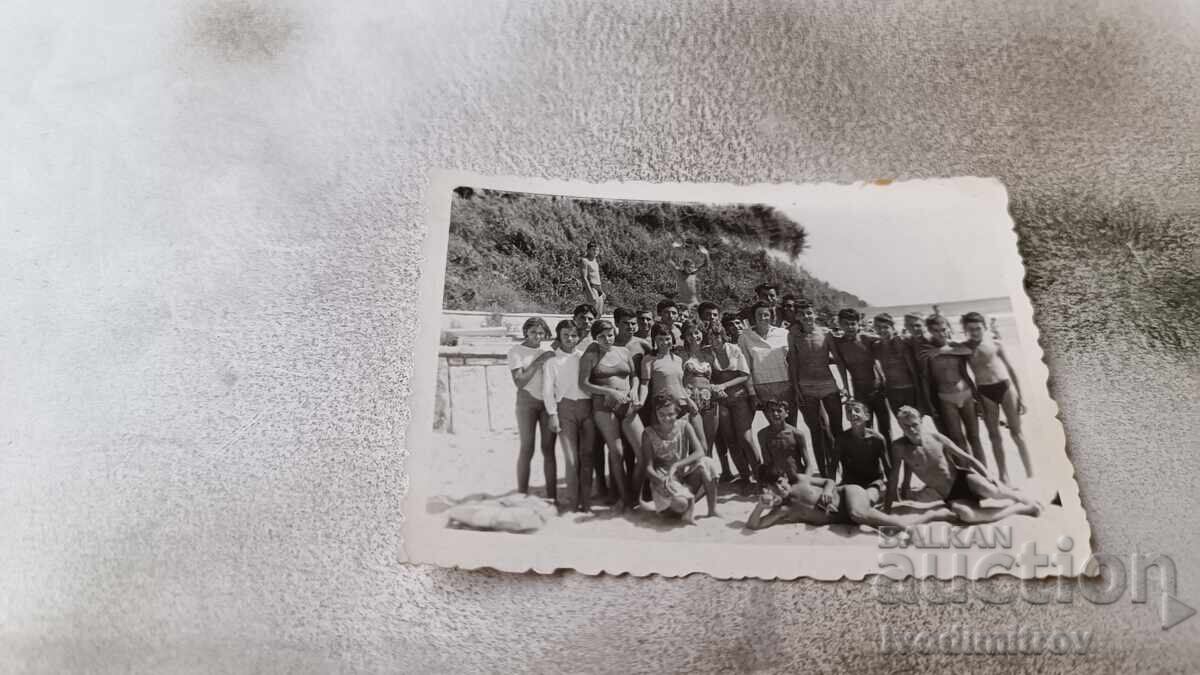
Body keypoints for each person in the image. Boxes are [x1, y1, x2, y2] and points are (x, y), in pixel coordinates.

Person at [885, 407, 1042, 524]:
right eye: (906, 426)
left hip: (964, 479)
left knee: (992, 491)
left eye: (914, 424)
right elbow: (894, 477)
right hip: (949, 494)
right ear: (900, 426)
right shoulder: (899, 448)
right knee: (967, 516)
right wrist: (887, 508)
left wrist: (988, 476)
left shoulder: (936, 438)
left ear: (920, 421)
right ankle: (1018, 509)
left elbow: (968, 459)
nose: (911, 429)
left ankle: (1019, 498)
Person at [927, 312, 1032, 482]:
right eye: (970, 329)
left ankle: (1030, 472)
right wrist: (935, 350)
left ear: (984, 327)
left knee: (1016, 433)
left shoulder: (995, 344)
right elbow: (946, 349)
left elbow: (1012, 370)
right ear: (965, 330)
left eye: (978, 328)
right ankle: (1003, 475)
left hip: (1005, 388)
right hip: (984, 391)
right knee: (994, 436)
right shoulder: (964, 348)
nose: (975, 332)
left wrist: (1021, 396)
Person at [746, 469, 955, 531]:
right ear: (769, 489)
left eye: (781, 482)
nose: (781, 488)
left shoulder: (800, 481)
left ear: (785, 478)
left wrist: (828, 491)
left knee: (859, 513)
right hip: (844, 517)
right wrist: (759, 507)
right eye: (775, 487)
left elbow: (829, 481)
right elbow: (755, 525)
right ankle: (876, 488)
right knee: (863, 511)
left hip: (846, 493)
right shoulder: (783, 511)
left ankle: (903, 526)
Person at [578, 320, 644, 512]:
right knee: (617, 453)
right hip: (604, 407)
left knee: (643, 452)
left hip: (627, 404)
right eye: (602, 336)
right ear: (595, 338)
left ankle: (635, 493)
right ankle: (624, 499)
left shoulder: (623, 351)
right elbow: (583, 384)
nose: (607, 339)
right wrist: (609, 392)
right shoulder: (590, 355)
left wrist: (634, 390)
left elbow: (635, 376)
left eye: (610, 335)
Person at [635, 394, 721, 524]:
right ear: (656, 413)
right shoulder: (648, 433)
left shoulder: (684, 426)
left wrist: (677, 465)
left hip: (681, 476)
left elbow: (700, 451)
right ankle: (678, 508)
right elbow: (648, 467)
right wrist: (660, 481)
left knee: (707, 463)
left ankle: (712, 510)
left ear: (677, 412)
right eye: (661, 414)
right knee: (680, 504)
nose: (666, 418)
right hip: (664, 480)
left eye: (670, 414)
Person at [787, 300, 848, 477]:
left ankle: (845, 469)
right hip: (806, 388)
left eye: (809, 313)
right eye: (802, 314)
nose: (807, 317)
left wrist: (845, 385)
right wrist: (796, 389)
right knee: (816, 431)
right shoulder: (794, 335)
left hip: (828, 385)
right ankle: (824, 472)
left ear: (815, 314)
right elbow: (794, 363)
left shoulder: (826, 333)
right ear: (797, 317)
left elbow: (838, 360)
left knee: (837, 429)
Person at [542, 320, 595, 512]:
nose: (570, 339)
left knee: (587, 457)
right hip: (564, 410)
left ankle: (586, 503)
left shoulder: (584, 357)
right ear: (559, 336)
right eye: (565, 335)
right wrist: (552, 415)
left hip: (586, 408)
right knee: (571, 460)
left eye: (573, 335)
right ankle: (573, 502)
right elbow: (547, 391)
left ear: (578, 337)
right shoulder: (552, 362)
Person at [919, 315, 983, 464]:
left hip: (966, 395)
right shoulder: (927, 352)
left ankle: (984, 472)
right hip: (946, 399)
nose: (941, 333)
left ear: (948, 328)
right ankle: (969, 472)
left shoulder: (955, 346)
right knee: (957, 439)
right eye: (935, 331)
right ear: (929, 331)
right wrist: (929, 404)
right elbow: (926, 380)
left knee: (974, 437)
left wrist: (941, 351)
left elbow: (968, 352)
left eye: (943, 329)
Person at [506, 317, 557, 500]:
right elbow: (519, 382)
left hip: (547, 403)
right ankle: (521, 493)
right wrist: (539, 361)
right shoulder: (516, 352)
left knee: (548, 449)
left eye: (541, 332)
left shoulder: (548, 350)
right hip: (526, 403)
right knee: (527, 448)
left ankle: (552, 497)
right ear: (526, 332)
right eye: (534, 332)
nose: (537, 336)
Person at [707, 320, 762, 483]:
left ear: (722, 336)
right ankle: (745, 477)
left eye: (716, 336)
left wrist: (723, 385)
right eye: (709, 336)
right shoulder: (706, 353)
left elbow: (745, 374)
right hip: (721, 402)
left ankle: (760, 476)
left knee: (745, 438)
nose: (713, 340)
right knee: (730, 440)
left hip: (739, 398)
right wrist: (712, 387)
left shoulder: (734, 349)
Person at [640, 323, 702, 449]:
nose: (664, 342)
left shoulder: (678, 359)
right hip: (663, 409)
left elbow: (679, 385)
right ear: (654, 340)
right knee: (667, 449)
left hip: (682, 407)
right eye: (660, 339)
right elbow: (644, 385)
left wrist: (689, 401)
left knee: (684, 447)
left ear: (672, 339)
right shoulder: (649, 359)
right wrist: (640, 401)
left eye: (667, 339)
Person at [833, 309, 891, 443]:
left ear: (859, 324)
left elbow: (888, 339)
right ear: (840, 325)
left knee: (886, 429)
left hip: (878, 390)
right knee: (865, 429)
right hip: (859, 392)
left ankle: (889, 462)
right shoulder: (839, 344)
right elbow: (841, 367)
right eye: (846, 324)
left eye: (853, 324)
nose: (850, 327)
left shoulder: (867, 338)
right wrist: (845, 388)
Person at [738, 302, 794, 427]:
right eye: (759, 314)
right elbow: (746, 368)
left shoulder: (784, 333)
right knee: (775, 427)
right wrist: (752, 393)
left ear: (771, 316)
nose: (763, 317)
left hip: (786, 385)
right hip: (763, 389)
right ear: (753, 316)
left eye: (766, 314)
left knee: (791, 426)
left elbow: (792, 361)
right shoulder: (745, 337)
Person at [831, 401, 889, 505]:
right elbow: (832, 467)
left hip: (873, 482)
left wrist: (892, 492)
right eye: (849, 412)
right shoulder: (841, 440)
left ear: (867, 416)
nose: (853, 413)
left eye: (857, 410)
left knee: (867, 500)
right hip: (850, 483)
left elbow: (887, 467)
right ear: (847, 417)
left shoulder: (877, 439)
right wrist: (831, 489)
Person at [871, 313, 924, 419]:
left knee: (915, 424)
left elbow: (913, 370)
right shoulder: (876, 346)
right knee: (902, 424)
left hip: (909, 390)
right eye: (878, 327)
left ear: (893, 327)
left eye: (885, 327)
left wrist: (920, 396)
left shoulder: (901, 343)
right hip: (892, 392)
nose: (882, 330)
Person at [680, 319, 720, 457]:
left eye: (696, 333)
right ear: (684, 336)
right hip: (692, 400)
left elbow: (713, 378)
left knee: (709, 443)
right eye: (689, 334)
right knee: (698, 444)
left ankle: (708, 477)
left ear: (701, 334)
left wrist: (716, 388)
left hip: (710, 399)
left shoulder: (709, 354)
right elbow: (677, 379)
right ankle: (694, 476)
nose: (694, 337)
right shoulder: (681, 354)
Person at [756, 400, 817, 484]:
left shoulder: (797, 434)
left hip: (797, 478)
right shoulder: (762, 434)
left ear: (786, 413)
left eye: (779, 411)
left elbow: (808, 465)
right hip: (778, 480)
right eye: (772, 411)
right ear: (768, 413)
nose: (775, 414)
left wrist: (805, 481)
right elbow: (767, 462)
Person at [669, 243, 711, 311]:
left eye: (692, 267)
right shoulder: (679, 273)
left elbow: (706, 265)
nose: (691, 269)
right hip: (682, 302)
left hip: (694, 302)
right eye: (689, 267)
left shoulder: (693, 273)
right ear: (684, 266)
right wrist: (672, 248)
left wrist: (706, 254)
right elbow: (669, 261)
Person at [580, 242, 605, 317]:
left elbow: (596, 277)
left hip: (598, 288)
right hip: (591, 287)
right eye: (593, 250)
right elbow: (584, 277)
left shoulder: (595, 261)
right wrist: (589, 292)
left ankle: (596, 328)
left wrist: (601, 291)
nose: (595, 252)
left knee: (599, 313)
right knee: (591, 313)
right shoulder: (584, 261)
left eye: (597, 250)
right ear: (588, 250)